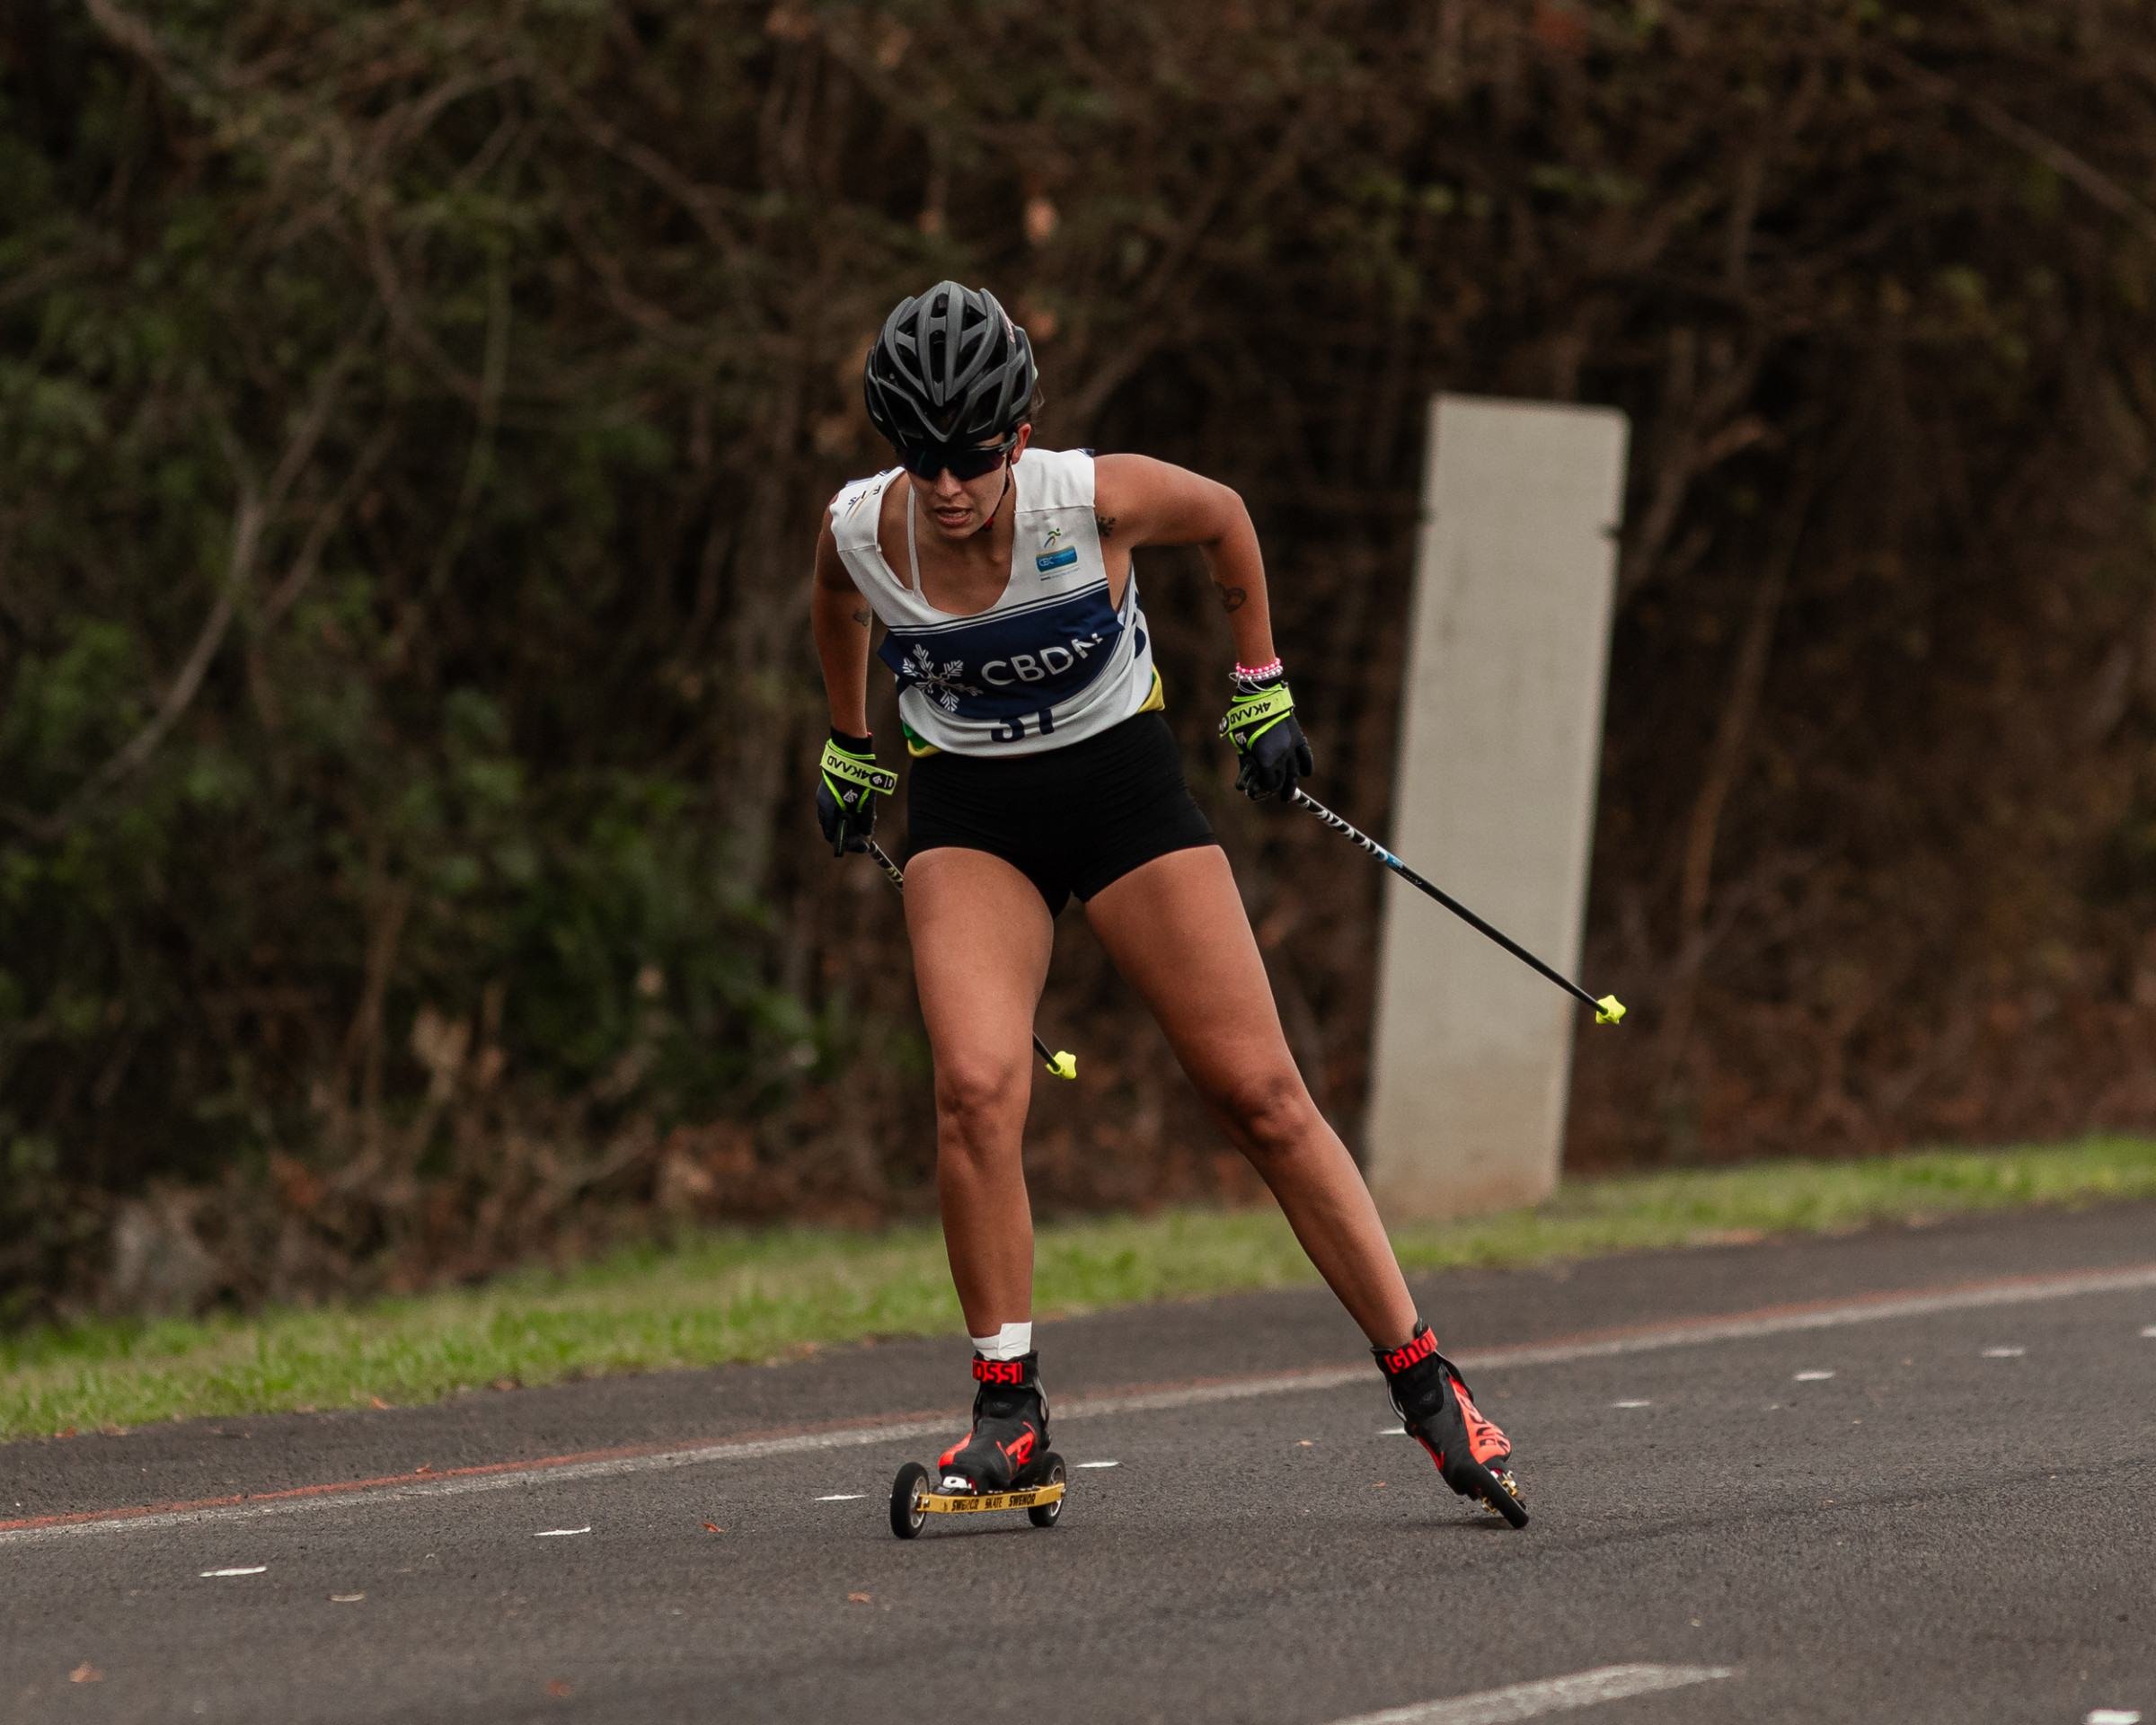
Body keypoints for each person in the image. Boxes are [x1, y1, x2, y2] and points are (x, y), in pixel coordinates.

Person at [807, 280, 1525, 1525]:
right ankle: (1008, 1419)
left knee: (1259, 1094)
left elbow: (1229, 522)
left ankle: (1428, 1383)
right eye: (922, 458)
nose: (949, 482)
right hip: (972, 814)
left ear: (1016, 437)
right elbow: (831, 600)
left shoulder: (1090, 499)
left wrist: (1262, 685)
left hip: (1121, 795)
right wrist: (847, 740)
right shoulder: (866, 530)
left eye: (972, 454)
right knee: (976, 1088)